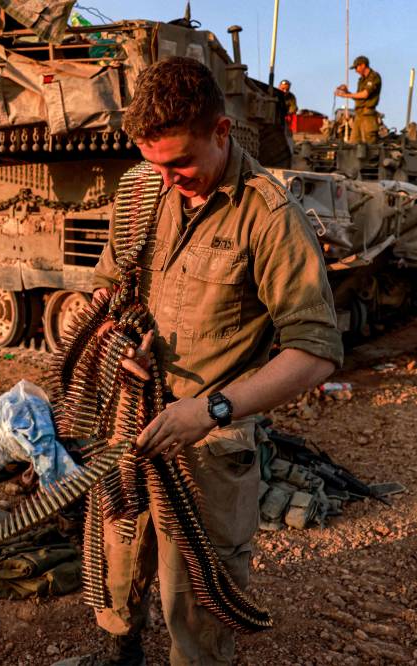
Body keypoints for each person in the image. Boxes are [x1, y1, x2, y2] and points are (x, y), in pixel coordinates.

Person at [65, 57, 343, 666]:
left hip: (208, 449)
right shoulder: (142, 189)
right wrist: (114, 335)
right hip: (130, 424)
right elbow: (109, 286)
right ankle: (120, 650)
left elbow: (316, 351)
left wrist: (211, 408)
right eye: (155, 164)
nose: (167, 181)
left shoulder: (270, 217)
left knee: (198, 597)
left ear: (222, 132)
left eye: (181, 164)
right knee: (117, 551)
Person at [334, 55, 382, 144]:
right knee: (353, 144)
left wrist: (345, 96)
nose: (356, 71)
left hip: (368, 116)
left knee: (369, 145)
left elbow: (365, 94)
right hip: (359, 116)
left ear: (363, 65)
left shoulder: (374, 77)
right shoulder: (361, 80)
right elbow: (359, 98)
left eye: (356, 67)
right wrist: (347, 92)